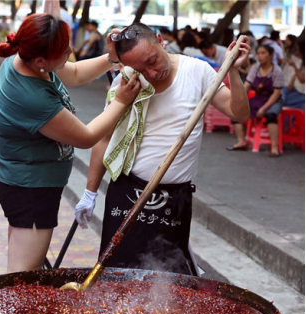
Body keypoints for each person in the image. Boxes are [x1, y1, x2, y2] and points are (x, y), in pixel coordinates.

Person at [75, 23, 251, 276]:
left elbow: (240, 114)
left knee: (171, 283)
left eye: (152, 60)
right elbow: (105, 139)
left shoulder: (197, 71)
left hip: (174, 198)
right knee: (116, 279)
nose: (152, 72)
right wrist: (89, 193)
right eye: (140, 69)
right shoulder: (126, 84)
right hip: (127, 193)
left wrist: (233, 73)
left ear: (160, 40)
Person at [0, 14, 141, 273]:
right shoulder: (31, 97)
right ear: (41, 61)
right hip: (30, 189)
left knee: (26, 270)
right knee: (23, 275)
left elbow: (73, 72)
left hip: (30, 183)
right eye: (64, 50)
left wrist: (111, 58)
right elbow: (85, 137)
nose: (70, 52)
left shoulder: (30, 60)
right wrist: (121, 101)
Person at [227, 45, 284, 157]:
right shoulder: (255, 69)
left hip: (273, 100)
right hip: (258, 98)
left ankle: (274, 148)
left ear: (271, 55)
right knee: (235, 112)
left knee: (271, 115)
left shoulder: (277, 71)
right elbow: (246, 86)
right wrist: (238, 100)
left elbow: (276, 93)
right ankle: (241, 142)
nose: (260, 56)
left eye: (263, 53)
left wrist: (263, 109)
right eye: (258, 53)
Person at [282, 39, 305, 109]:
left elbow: (302, 79)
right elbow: (297, 73)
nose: (297, 52)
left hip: (301, 92)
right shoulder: (302, 61)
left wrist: (294, 66)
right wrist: (291, 82)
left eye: (299, 50)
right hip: (296, 89)